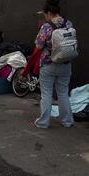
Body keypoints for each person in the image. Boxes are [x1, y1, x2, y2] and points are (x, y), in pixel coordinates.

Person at [34, 0, 74, 128]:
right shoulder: (68, 23)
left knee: (46, 93)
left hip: (49, 63)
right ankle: (67, 121)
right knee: (63, 93)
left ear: (49, 13)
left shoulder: (46, 27)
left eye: (45, 14)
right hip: (66, 63)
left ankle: (43, 122)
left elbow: (38, 46)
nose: (45, 17)